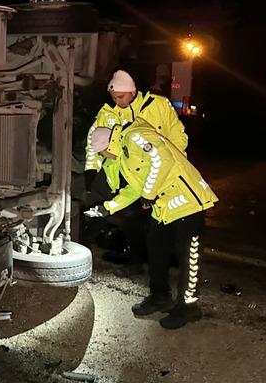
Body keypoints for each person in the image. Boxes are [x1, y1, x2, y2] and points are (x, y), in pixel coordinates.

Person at [85, 121, 217, 329]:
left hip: (189, 204)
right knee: (156, 252)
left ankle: (189, 308)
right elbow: (134, 190)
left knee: (189, 260)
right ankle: (159, 296)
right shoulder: (125, 158)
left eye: (102, 153)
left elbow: (162, 160)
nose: (103, 157)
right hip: (164, 209)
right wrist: (107, 208)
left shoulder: (135, 137)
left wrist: (149, 193)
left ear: (109, 145)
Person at [83, 69, 189, 277]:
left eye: (120, 97)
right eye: (114, 97)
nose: (117, 101)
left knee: (149, 221)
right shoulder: (108, 113)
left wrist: (173, 167)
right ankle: (90, 253)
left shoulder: (157, 106)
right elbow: (92, 142)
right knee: (114, 215)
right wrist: (91, 168)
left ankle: (152, 263)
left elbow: (178, 136)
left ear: (132, 92)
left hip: (154, 174)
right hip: (122, 174)